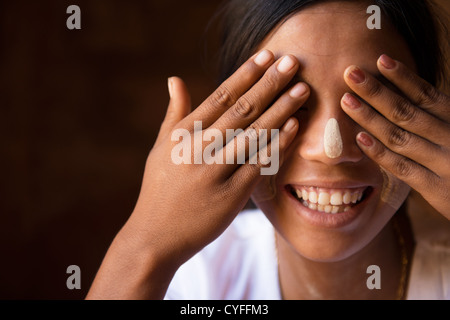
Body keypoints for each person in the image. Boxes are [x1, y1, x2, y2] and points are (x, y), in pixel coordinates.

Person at [86, 0, 450, 300]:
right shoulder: (194, 278)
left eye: (372, 104)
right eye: (287, 102)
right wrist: (143, 248)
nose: (330, 150)